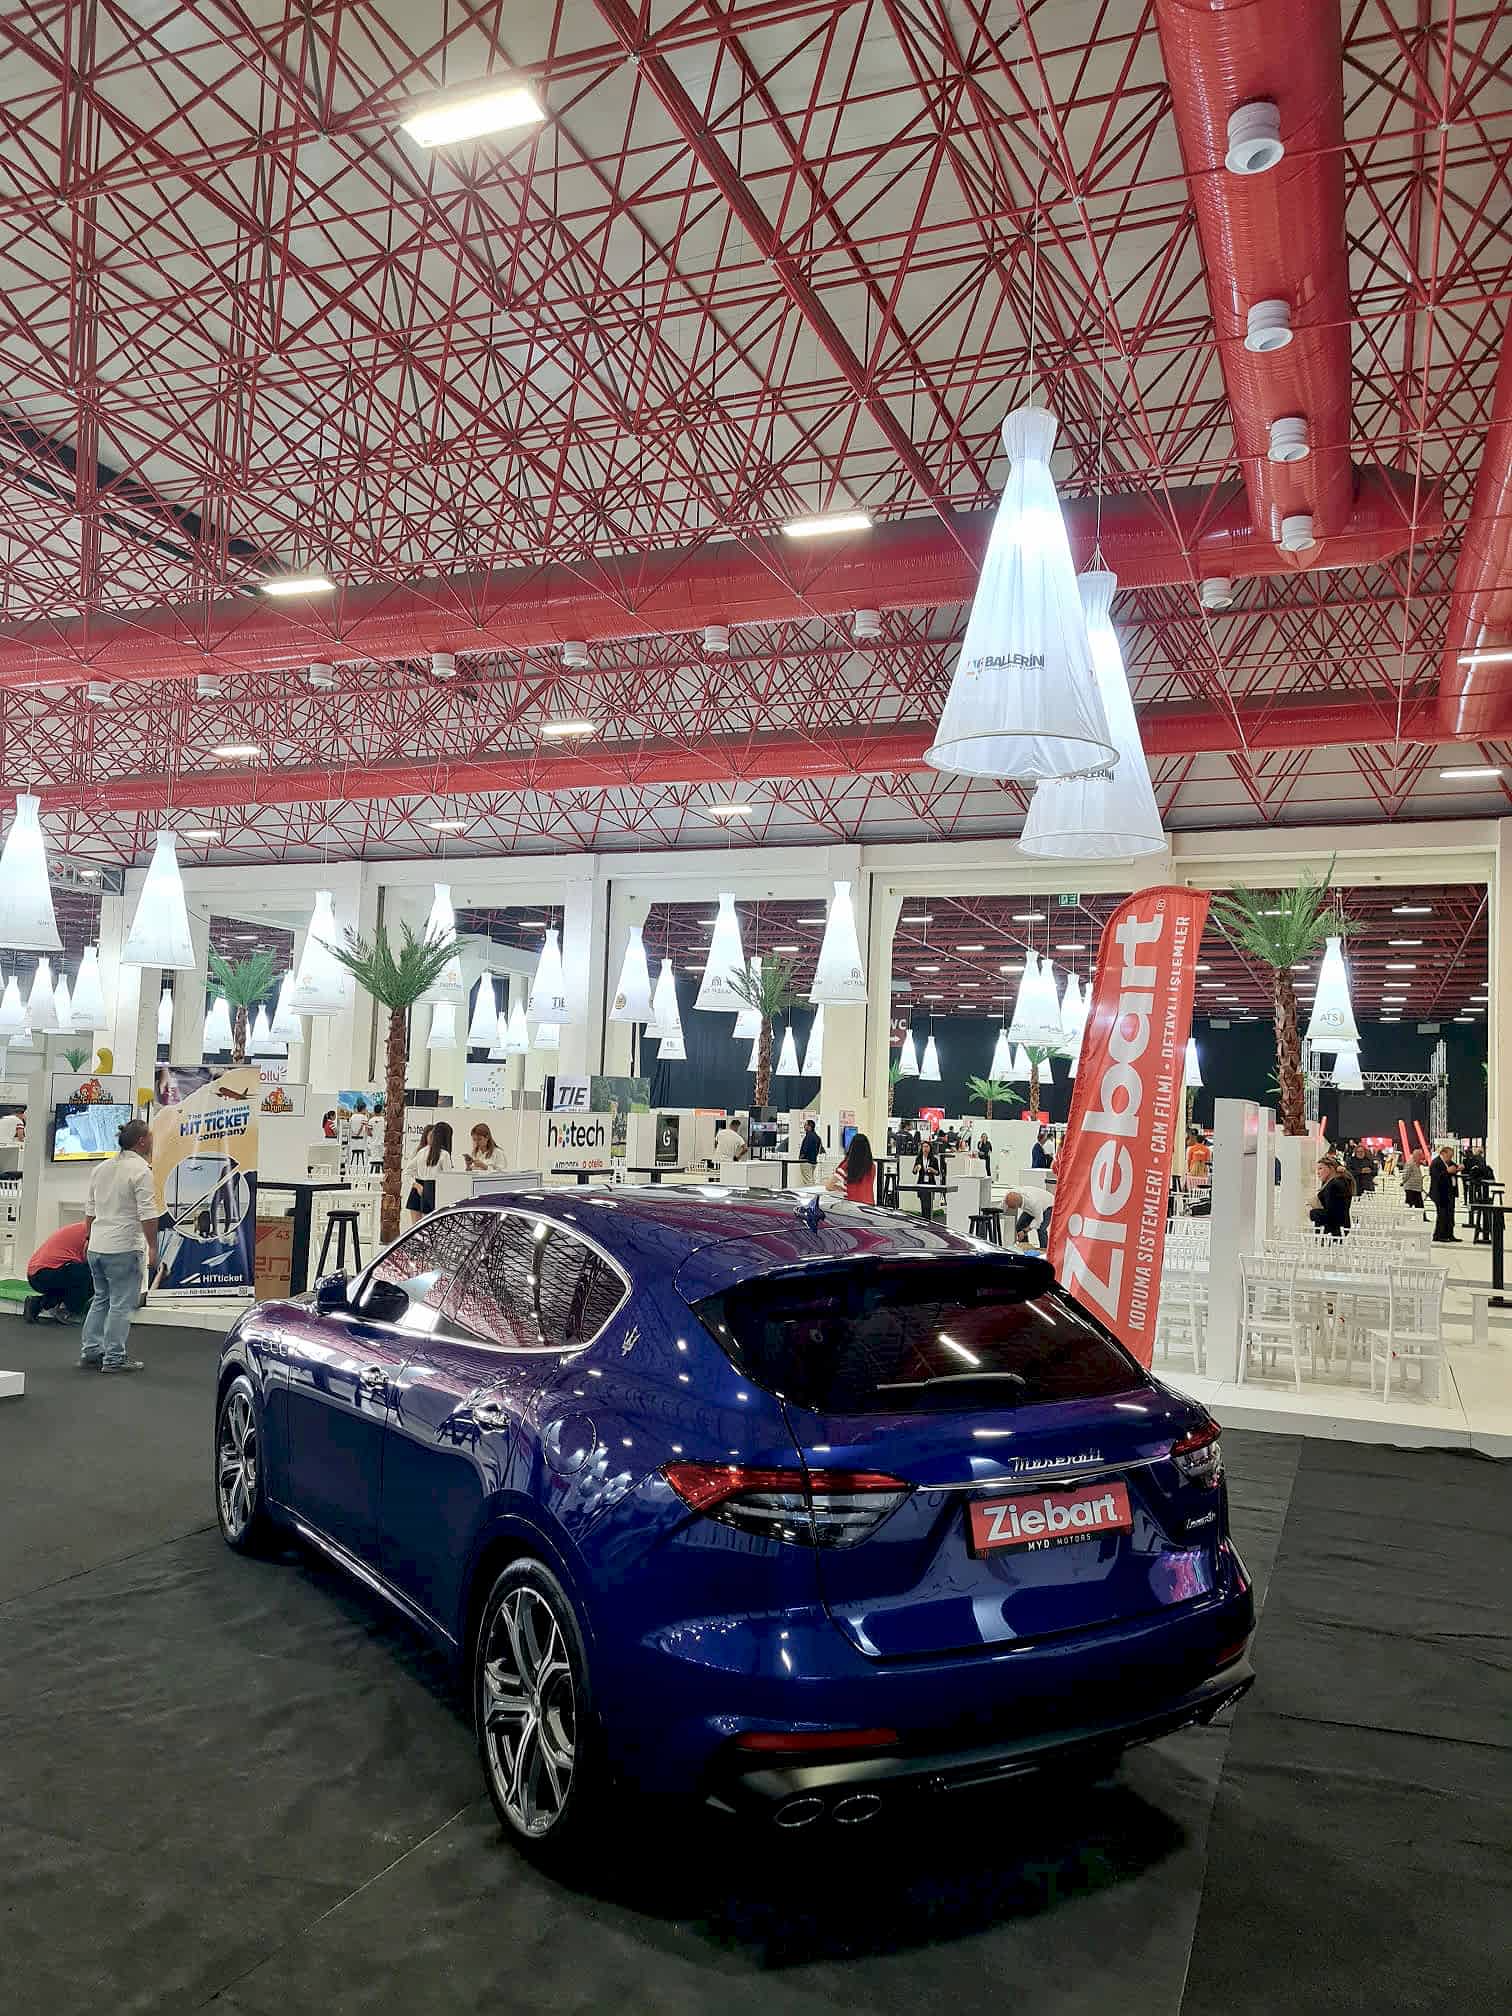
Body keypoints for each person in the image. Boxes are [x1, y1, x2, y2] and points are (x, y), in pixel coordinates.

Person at [79, 1118, 158, 1373]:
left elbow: (90, 1210)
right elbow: (148, 1214)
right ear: (142, 1141)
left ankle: (91, 1351)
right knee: (121, 1305)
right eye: (150, 1136)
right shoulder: (142, 1171)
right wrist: (153, 1247)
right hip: (123, 1247)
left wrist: (88, 1237)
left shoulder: (100, 1168)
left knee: (100, 1299)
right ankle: (114, 1358)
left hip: (97, 1246)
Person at [25, 1219, 93, 1324]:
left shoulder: (86, 1227)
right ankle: (70, 1312)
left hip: (37, 1274)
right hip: (45, 1273)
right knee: (91, 1274)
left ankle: (37, 1303)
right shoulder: (93, 1232)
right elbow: (90, 1259)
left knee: (78, 1276)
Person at [403, 1119, 454, 1223]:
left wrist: (416, 1185)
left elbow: (407, 1171)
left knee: (418, 1227)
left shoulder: (422, 1151)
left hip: (420, 1187)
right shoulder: (444, 1154)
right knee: (432, 1226)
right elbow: (448, 1179)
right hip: (434, 1189)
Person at [1310, 1155, 1354, 1237]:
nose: (1318, 1172)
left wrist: (1312, 1213)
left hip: (1331, 1232)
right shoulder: (1339, 1182)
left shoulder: (1334, 1185)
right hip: (1337, 1229)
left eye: (1320, 1168)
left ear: (1331, 1168)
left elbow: (1332, 1214)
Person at [826, 1130, 875, 1204]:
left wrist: (842, 1188)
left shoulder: (846, 1166)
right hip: (869, 1205)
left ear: (852, 1147)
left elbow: (828, 1186)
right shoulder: (872, 1166)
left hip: (851, 1205)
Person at [1429, 1142, 1461, 1243]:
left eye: (1452, 1156)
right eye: (1449, 1156)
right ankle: (1439, 1235)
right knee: (1442, 1215)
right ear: (1443, 1153)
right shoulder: (1436, 1162)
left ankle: (1449, 1234)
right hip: (1440, 1193)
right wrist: (1447, 1172)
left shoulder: (1449, 1162)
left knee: (1450, 1214)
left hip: (1449, 1193)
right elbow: (1436, 1177)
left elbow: (1455, 1167)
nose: (1450, 1158)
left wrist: (1458, 1168)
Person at [1004, 1183, 1053, 1249]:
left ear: (1018, 1204)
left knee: (1041, 1229)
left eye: (1014, 1207)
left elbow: (1039, 1221)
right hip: (1034, 1205)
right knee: (1019, 1226)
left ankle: (1044, 1250)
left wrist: (1025, 1231)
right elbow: (1004, 1204)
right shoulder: (1011, 1194)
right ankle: (1025, 1248)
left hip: (1048, 1205)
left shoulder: (1034, 1203)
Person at [913, 1134, 945, 1221]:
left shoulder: (934, 1159)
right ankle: (923, 1220)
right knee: (923, 1204)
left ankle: (929, 1220)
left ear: (930, 1148)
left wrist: (932, 1170)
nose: (925, 1149)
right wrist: (916, 1168)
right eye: (923, 1147)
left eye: (927, 1147)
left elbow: (938, 1173)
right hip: (921, 1183)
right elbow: (914, 1172)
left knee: (929, 1204)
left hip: (930, 1183)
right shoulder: (918, 1158)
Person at [1403, 1147, 1428, 1213]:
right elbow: (1406, 1174)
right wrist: (1403, 1182)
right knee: (1410, 1206)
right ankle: (1408, 1217)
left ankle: (1422, 1217)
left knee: (1419, 1206)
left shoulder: (1417, 1163)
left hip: (1416, 1189)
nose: (1422, 1157)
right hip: (1411, 1188)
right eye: (1421, 1155)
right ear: (1417, 1156)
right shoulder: (1410, 1163)